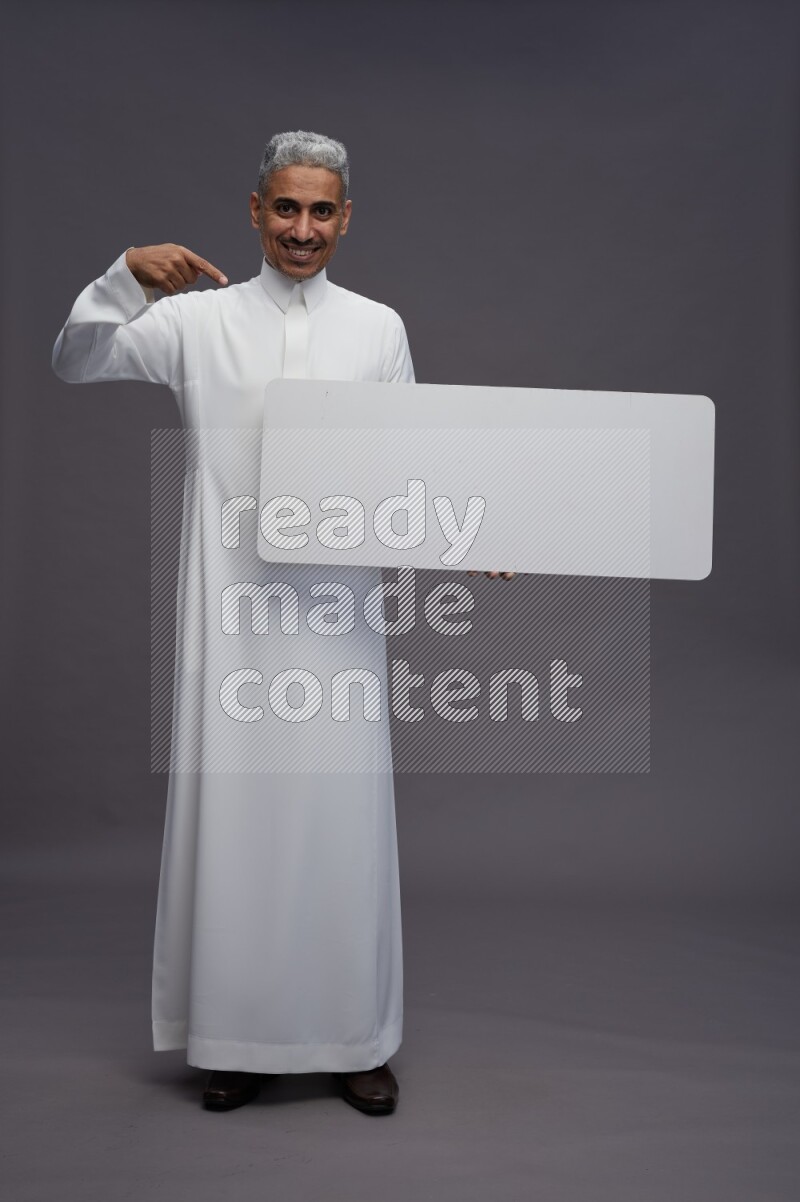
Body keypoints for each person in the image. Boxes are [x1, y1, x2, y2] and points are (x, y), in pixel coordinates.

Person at [52, 129, 513, 1118]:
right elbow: (74, 359)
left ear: (344, 218)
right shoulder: (197, 323)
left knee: (340, 824)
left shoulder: (375, 328)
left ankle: (355, 1038)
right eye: (285, 208)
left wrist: (470, 527)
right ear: (254, 211)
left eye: (321, 211)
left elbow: (410, 462)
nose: (302, 228)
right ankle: (234, 1039)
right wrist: (123, 277)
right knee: (239, 823)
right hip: (231, 619)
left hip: (338, 619)